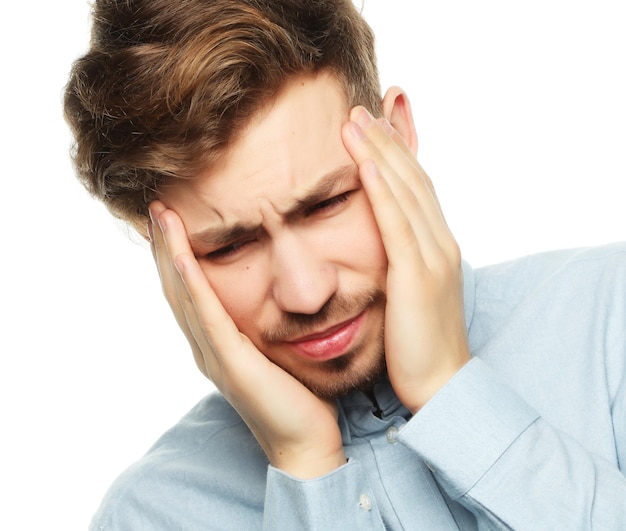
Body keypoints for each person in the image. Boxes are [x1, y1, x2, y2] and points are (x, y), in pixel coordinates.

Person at [64, 0, 625, 528]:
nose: (306, 293)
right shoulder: (152, 515)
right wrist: (306, 468)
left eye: (327, 203)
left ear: (398, 137)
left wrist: (451, 395)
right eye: (230, 246)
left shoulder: (611, 318)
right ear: (167, 254)